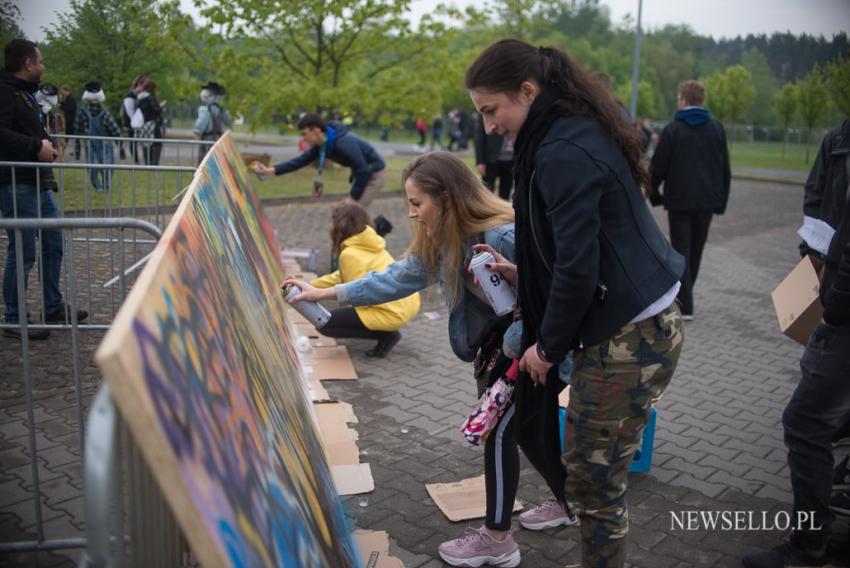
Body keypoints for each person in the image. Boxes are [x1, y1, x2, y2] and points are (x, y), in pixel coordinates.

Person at [283, 151, 576, 567]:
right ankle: (569, 501)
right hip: (505, 350)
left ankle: (497, 539)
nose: (411, 213)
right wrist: (321, 293)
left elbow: (558, 298)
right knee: (531, 432)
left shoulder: (503, 236)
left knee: (499, 433)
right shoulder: (444, 241)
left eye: (417, 203)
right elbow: (394, 279)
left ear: (447, 197)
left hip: (534, 350)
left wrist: (526, 347)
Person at [466, 39, 685, 567]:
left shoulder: (562, 149)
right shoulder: (563, 134)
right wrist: (525, 276)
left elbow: (580, 268)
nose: (489, 126)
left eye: (492, 110)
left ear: (527, 90)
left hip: (630, 335)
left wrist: (546, 346)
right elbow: (573, 248)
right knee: (591, 477)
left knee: (593, 486)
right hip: (629, 324)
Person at [741, 123, 850, 568]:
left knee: (804, 420)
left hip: (843, 312)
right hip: (835, 294)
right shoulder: (838, 138)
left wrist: (836, 300)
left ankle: (809, 547)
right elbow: (818, 197)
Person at [1, 39, 88, 340]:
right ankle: (13, 316)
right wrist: (36, 145)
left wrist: (46, 143)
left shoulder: (23, 94)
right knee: (23, 251)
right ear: (28, 64)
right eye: (40, 61)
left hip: (37, 183)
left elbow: (26, 129)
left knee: (53, 243)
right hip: (16, 184)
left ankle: (53, 306)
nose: (43, 66)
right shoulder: (5, 92)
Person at [649, 80, 730, 321]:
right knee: (696, 250)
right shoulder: (717, 129)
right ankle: (686, 295)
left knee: (681, 249)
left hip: (679, 202)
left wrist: (654, 194)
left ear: (683, 100)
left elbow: (658, 167)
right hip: (706, 202)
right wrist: (721, 201)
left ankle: (685, 303)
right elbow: (724, 168)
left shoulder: (673, 130)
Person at [309, 202, 420, 357]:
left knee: (324, 323)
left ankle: (387, 335)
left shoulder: (349, 254)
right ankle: (386, 331)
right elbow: (340, 276)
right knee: (345, 314)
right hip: (406, 303)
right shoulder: (368, 242)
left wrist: (319, 295)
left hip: (392, 311)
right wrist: (310, 286)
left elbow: (359, 296)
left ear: (341, 226)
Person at [254, 113, 386, 209]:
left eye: (305, 134)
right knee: (344, 212)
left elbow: (362, 170)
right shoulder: (322, 145)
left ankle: (372, 241)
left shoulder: (342, 143)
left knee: (353, 213)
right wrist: (269, 170)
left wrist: (352, 198)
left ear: (316, 130)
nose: (303, 139)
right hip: (362, 174)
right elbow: (299, 161)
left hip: (374, 175)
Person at [73, 81, 121, 192]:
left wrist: (77, 150)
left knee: (100, 166)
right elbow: (115, 130)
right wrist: (120, 144)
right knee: (101, 166)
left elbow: (77, 130)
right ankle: (102, 185)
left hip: (97, 143)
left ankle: (102, 185)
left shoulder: (84, 111)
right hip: (98, 143)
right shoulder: (99, 111)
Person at [474, 113, 514, 200]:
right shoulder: (488, 112)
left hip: (511, 160)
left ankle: (503, 212)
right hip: (491, 159)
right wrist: (480, 161)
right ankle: (488, 212)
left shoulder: (514, 111)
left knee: (505, 192)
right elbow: (479, 138)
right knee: (488, 192)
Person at [193, 81, 232, 164]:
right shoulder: (220, 110)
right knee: (216, 161)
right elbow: (228, 122)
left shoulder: (206, 110)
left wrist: (197, 132)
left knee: (205, 161)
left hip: (208, 138)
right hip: (218, 138)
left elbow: (199, 127)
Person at [134, 77, 165, 166]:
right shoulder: (150, 97)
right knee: (157, 143)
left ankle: (147, 162)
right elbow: (156, 110)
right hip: (152, 124)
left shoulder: (139, 97)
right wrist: (160, 106)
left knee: (146, 144)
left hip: (143, 124)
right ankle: (154, 163)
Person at [121, 75, 145, 163]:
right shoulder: (130, 95)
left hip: (136, 122)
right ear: (139, 84)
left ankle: (139, 159)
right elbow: (129, 111)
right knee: (133, 141)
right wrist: (135, 122)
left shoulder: (139, 95)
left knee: (137, 141)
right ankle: (136, 160)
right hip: (131, 122)